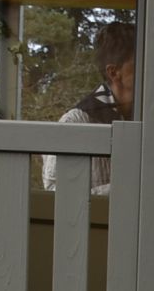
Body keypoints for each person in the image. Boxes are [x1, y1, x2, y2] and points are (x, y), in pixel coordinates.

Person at [42, 20, 135, 196]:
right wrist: (122, 190)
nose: (150, 70)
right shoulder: (75, 121)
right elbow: (54, 193)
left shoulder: (148, 118)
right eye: (140, 63)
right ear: (114, 72)